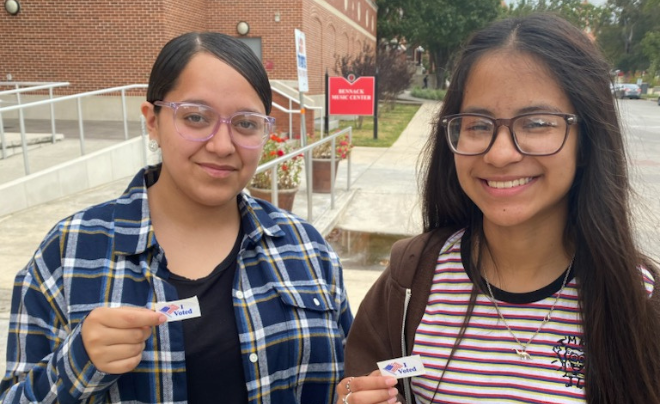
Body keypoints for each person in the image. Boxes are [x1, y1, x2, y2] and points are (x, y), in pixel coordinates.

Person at [0, 32, 352, 403]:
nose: (221, 145)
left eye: (246, 123)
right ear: (152, 121)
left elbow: (348, 379)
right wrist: (79, 362)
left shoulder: (307, 249)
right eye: (196, 117)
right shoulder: (70, 251)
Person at [335, 13, 660, 404]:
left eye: (537, 123)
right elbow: (361, 379)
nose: (501, 154)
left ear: (588, 140)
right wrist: (352, 396)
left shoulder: (641, 301)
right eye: (477, 125)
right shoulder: (410, 281)